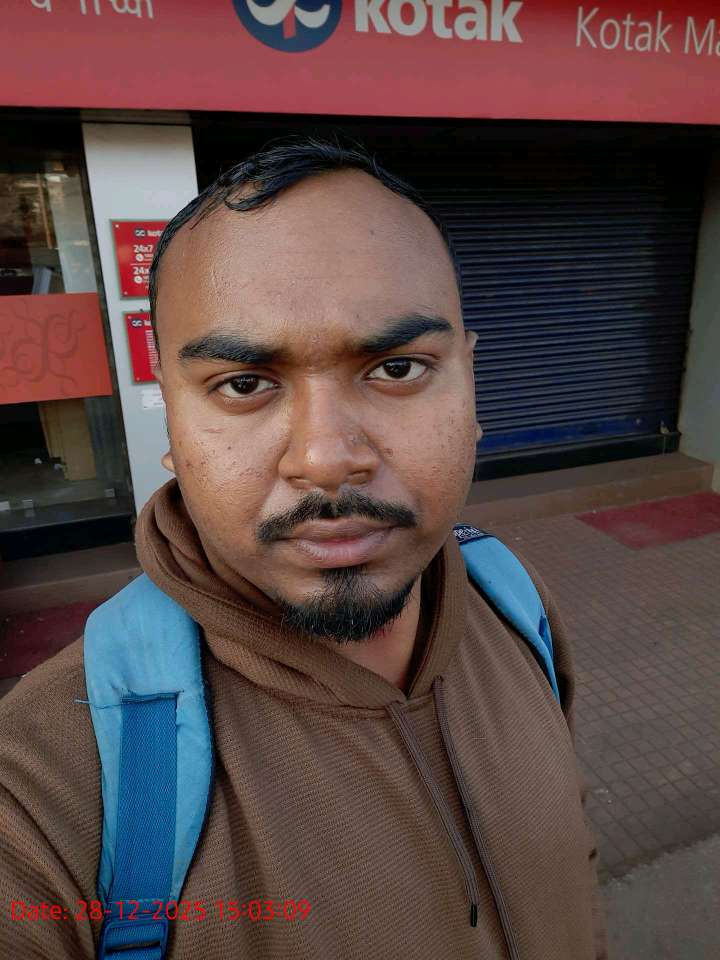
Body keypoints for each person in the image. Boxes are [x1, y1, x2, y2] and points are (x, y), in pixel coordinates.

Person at [0, 136, 607, 959]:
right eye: (244, 384)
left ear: (470, 385)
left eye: (398, 369)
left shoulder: (514, 602)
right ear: (171, 417)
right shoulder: (43, 783)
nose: (325, 459)